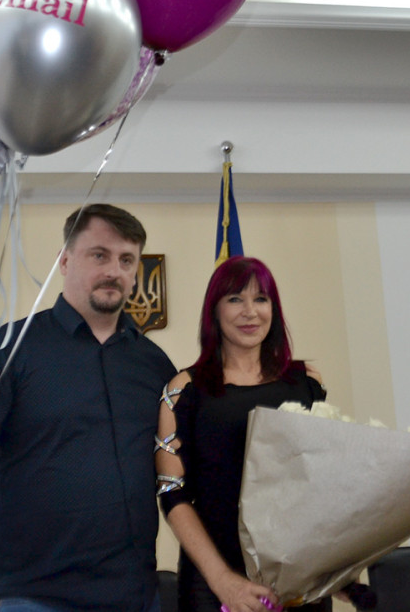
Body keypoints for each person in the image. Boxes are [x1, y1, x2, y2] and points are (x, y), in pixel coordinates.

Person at [0, 204, 177, 612]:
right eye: (99, 255)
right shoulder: (10, 350)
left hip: (136, 596)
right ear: (65, 260)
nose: (114, 270)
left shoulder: (155, 365)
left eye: (127, 260)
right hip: (35, 596)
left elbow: (178, 467)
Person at [156, 256, 332, 612]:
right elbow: (172, 494)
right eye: (235, 299)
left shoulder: (307, 381)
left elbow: (323, 481)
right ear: (214, 311)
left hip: (300, 581)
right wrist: (223, 580)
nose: (250, 312)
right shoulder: (182, 390)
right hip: (214, 584)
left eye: (261, 299)